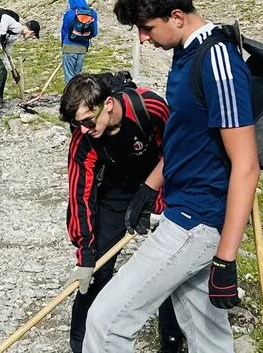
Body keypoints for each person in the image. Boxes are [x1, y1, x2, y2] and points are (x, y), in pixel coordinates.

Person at [83, 0, 259, 353]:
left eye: (147, 28)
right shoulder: (185, 52)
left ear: (176, 17)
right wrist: (151, 185)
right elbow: (187, 137)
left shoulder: (218, 63)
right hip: (183, 205)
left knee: (106, 323)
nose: (143, 39)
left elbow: (246, 164)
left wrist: (226, 258)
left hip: (197, 218)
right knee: (208, 337)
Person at [61, 74, 186, 353]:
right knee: (96, 271)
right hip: (116, 190)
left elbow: (177, 154)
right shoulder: (83, 140)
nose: (82, 130)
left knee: (171, 263)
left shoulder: (149, 108)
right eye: (75, 124)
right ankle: (80, 343)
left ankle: (171, 338)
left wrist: (158, 204)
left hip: (160, 184)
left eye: (87, 121)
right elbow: (80, 197)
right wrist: (85, 255)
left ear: (107, 104)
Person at [0, 10, 40, 116]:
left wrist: (13, 70)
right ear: (31, 32)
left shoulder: (15, 35)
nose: (30, 37)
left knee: (3, 73)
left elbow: (7, 53)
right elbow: (5, 17)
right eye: (32, 35)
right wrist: (2, 33)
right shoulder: (18, 27)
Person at [61, 0, 99, 84]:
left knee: (69, 76)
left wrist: (63, 45)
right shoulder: (92, 13)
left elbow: (64, 31)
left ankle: (69, 97)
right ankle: (78, 96)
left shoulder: (69, 13)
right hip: (82, 48)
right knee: (78, 76)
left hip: (69, 47)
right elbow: (94, 33)